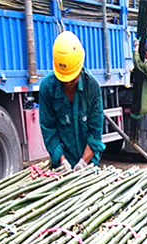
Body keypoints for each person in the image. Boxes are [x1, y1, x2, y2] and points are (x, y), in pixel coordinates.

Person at [39, 31, 105, 171]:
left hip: (88, 165)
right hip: (61, 167)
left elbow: (95, 131)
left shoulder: (92, 87)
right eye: (64, 79)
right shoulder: (47, 87)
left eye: (72, 78)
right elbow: (48, 129)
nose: (68, 82)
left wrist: (82, 163)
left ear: (80, 67)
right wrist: (62, 162)